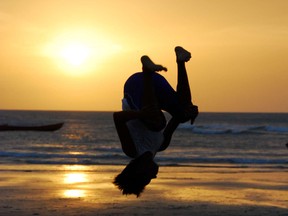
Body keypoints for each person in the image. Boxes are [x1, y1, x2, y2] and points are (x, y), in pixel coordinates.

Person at [113, 46, 198, 197]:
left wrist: (140, 114)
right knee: (183, 111)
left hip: (135, 86)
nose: (154, 177)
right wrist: (190, 113)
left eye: (147, 179)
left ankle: (146, 70)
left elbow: (117, 118)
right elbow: (177, 118)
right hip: (156, 85)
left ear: (139, 171)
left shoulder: (132, 150)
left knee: (156, 122)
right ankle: (181, 60)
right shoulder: (161, 145)